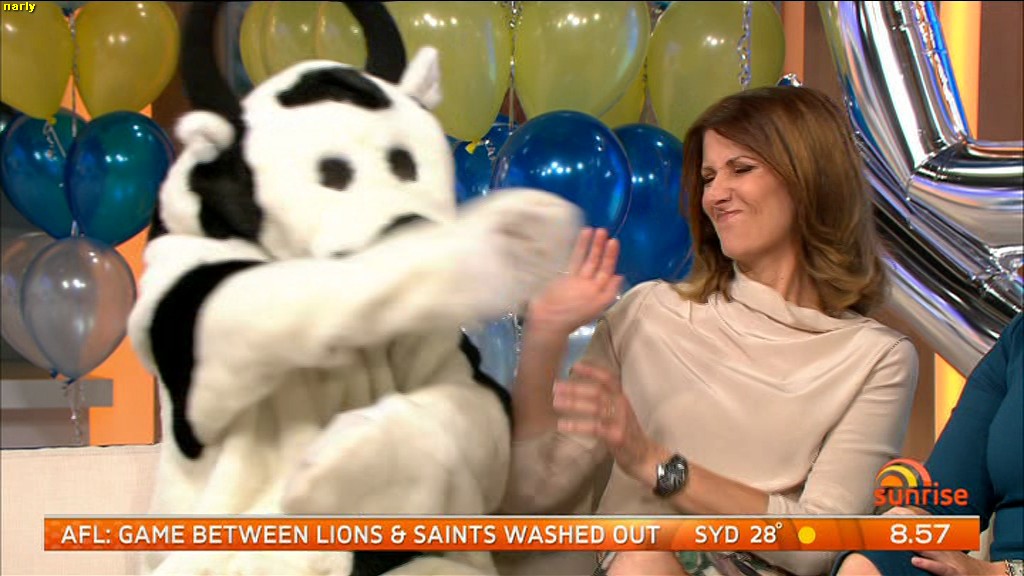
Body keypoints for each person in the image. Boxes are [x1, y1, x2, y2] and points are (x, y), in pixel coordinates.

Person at [499, 86, 920, 576]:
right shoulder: (647, 314)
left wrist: (660, 466)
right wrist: (544, 340)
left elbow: (822, 543)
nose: (716, 195)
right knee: (641, 557)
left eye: (741, 169)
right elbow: (535, 494)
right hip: (638, 565)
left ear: (809, 178)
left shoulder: (876, 357)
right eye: (707, 177)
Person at [833, 313, 1023, 576]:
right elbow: (943, 504)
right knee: (866, 565)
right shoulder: (1019, 337)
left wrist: (996, 573)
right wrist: (902, 531)